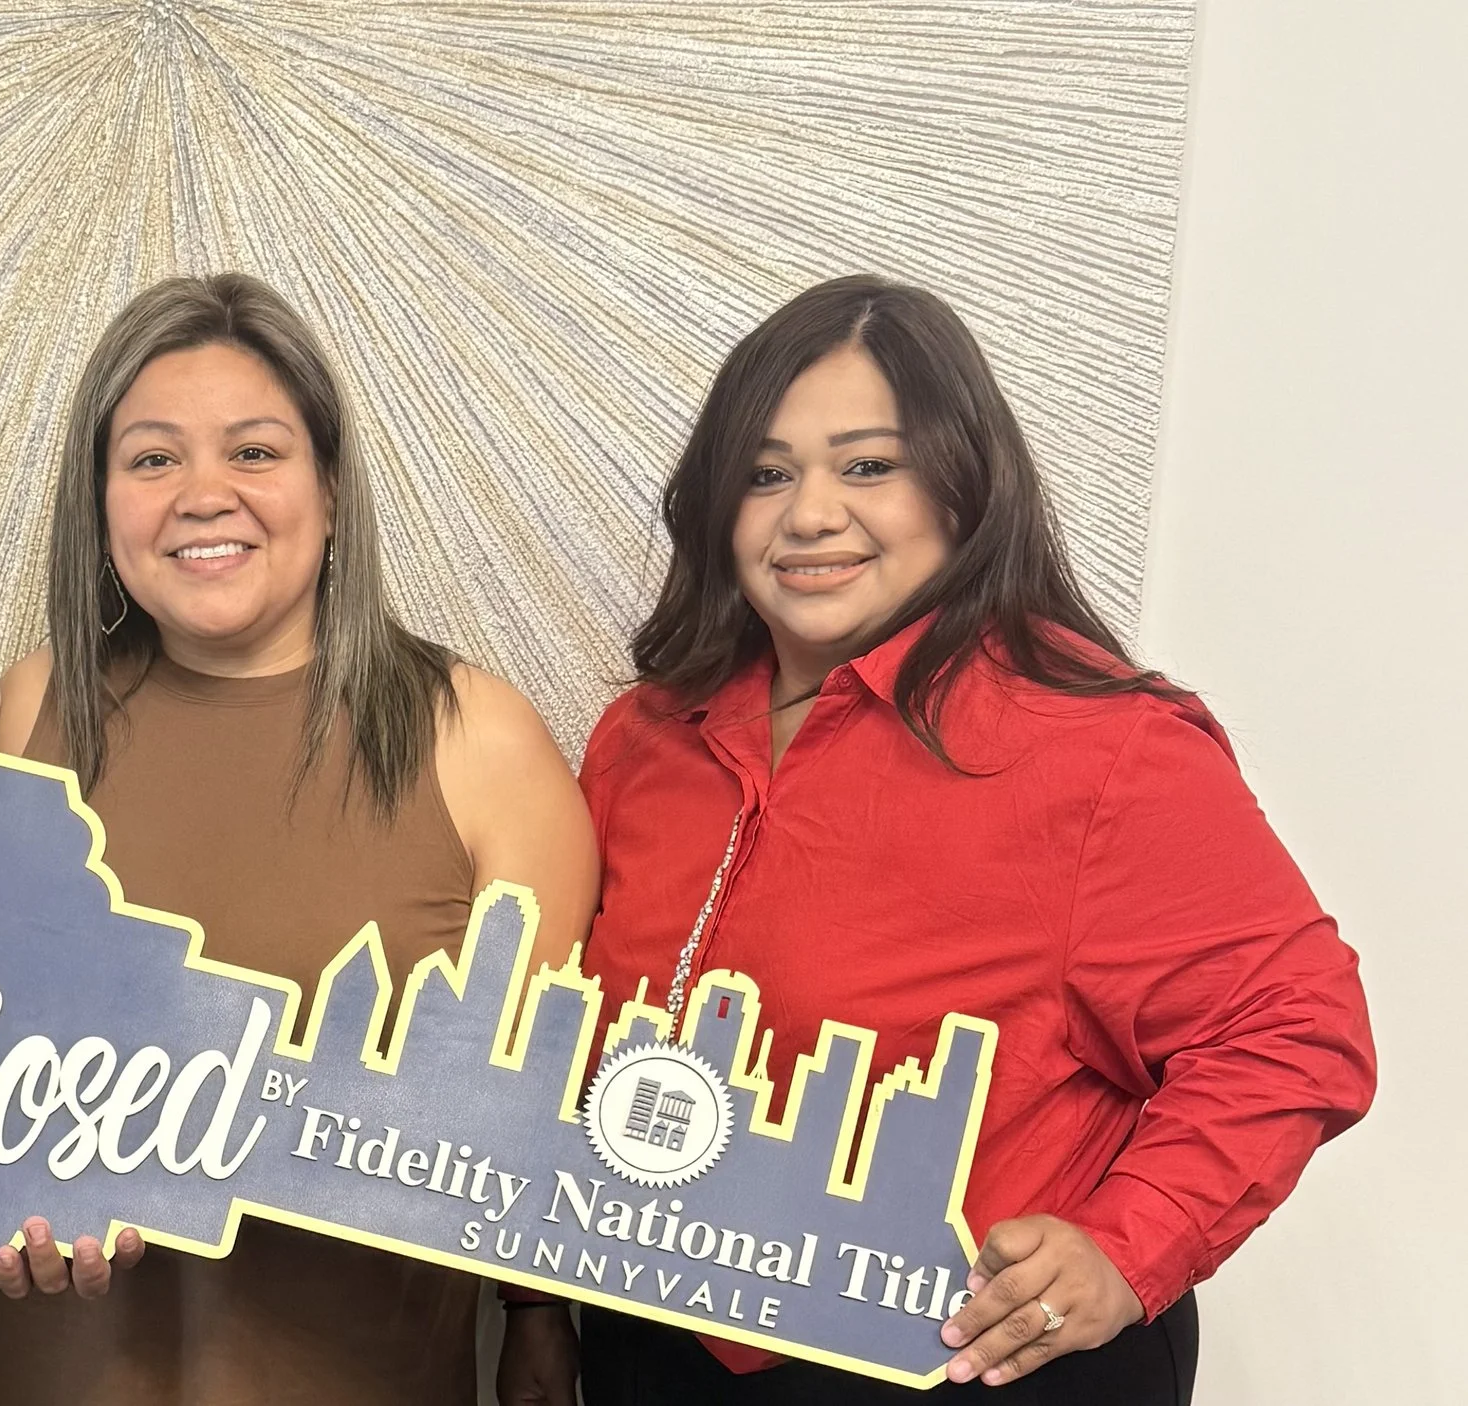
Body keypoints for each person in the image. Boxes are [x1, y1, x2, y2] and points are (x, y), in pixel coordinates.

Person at [495, 275, 1374, 1404]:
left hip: (959, 1360)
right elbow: (560, 1037)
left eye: (868, 466)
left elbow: (1296, 1028)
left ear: (963, 485)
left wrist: (1125, 1248)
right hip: (658, 1342)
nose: (810, 514)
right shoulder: (642, 740)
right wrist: (536, 1306)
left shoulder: (1103, 749)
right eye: (765, 473)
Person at [0, 272, 600, 1405]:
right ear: (99, 504)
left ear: (332, 490)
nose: (205, 494)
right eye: (153, 458)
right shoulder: (16, 714)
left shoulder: (480, 739)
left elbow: (532, 1124)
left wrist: (539, 1313)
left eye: (254, 452)